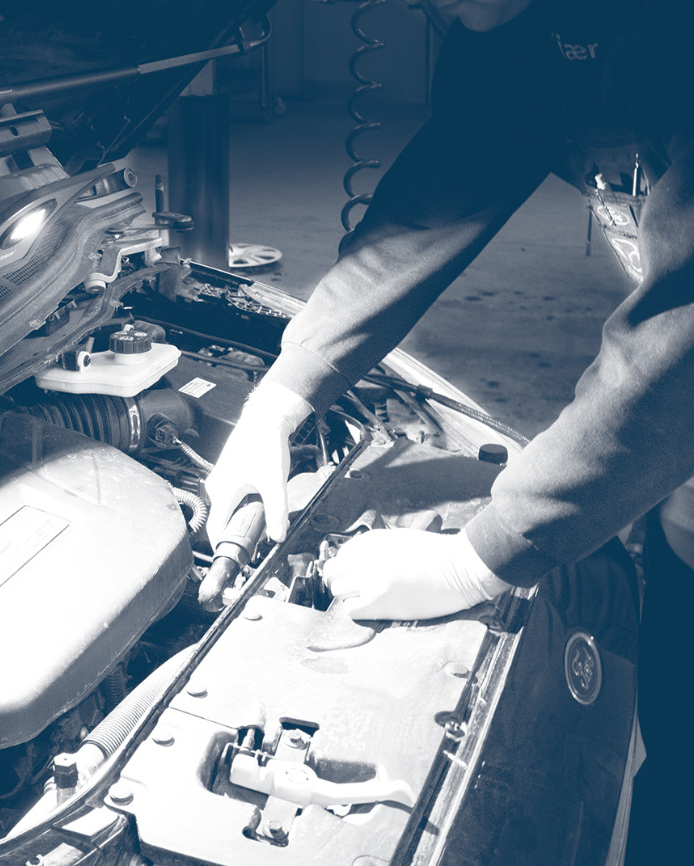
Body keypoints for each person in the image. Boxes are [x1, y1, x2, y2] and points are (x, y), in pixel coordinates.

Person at [206, 1, 688, 859]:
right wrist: (286, 390)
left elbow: (681, 342)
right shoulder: (512, 35)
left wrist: (476, 558)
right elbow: (436, 195)